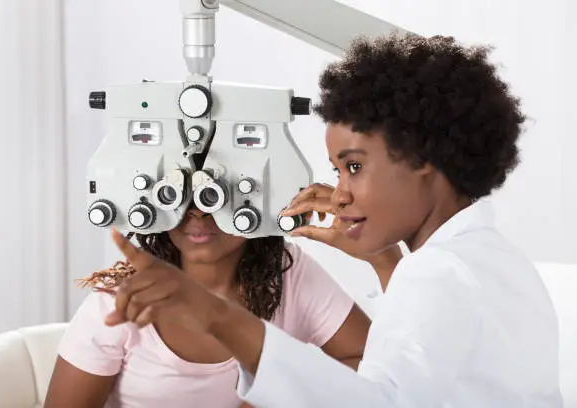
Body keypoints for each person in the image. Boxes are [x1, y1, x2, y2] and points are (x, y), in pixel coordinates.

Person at [98, 33, 563, 407]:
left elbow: (377, 400)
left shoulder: (439, 272)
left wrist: (216, 316)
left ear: (422, 158)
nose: (338, 194)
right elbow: (421, 371)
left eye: (355, 167)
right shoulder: (489, 258)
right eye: (337, 171)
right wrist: (383, 261)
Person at [44, 205, 375, 408]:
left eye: (216, 195)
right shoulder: (119, 301)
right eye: (182, 195)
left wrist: (274, 392)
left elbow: (373, 365)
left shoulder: (291, 274)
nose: (198, 213)